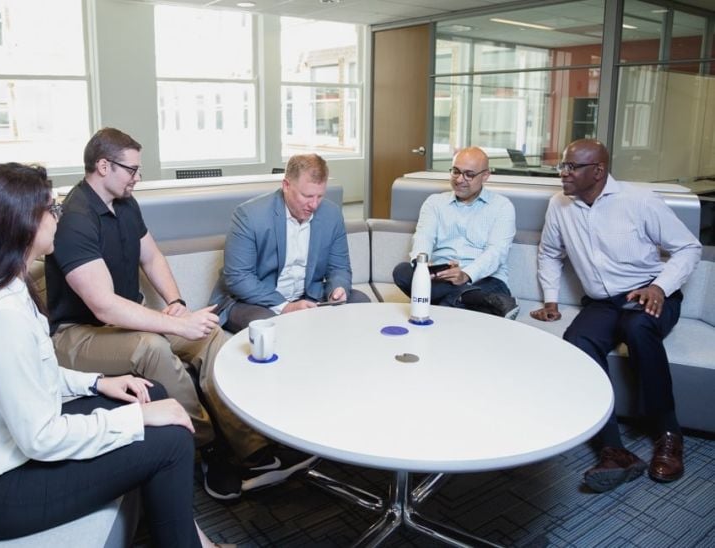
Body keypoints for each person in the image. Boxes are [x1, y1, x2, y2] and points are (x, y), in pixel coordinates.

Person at [0, 162, 219, 546]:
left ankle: (187, 535)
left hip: (17, 452)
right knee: (169, 441)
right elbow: (42, 437)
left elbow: (38, 374)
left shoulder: (6, 288)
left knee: (152, 392)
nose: (57, 217)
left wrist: (101, 382)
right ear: (22, 222)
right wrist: (138, 419)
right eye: (50, 209)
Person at [45, 128, 306, 501]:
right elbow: (103, 305)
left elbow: (150, 256)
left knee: (210, 335)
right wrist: (174, 323)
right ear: (103, 166)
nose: (138, 177)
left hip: (122, 322)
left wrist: (177, 302)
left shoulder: (124, 203)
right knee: (151, 348)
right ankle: (208, 446)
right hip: (77, 334)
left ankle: (252, 447)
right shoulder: (75, 218)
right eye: (131, 169)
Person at [530, 139, 702, 493]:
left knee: (638, 327)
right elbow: (549, 252)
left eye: (572, 167)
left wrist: (661, 287)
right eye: (563, 166)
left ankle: (669, 433)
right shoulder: (559, 205)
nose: (563, 173)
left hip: (648, 293)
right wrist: (551, 300)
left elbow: (688, 247)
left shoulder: (639, 201)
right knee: (576, 341)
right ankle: (614, 451)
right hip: (602, 302)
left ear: (598, 171)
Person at [210, 153, 371, 333]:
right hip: (254, 302)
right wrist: (285, 306)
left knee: (360, 303)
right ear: (286, 186)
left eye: (320, 196)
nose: (314, 205)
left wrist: (337, 289)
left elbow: (339, 268)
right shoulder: (249, 216)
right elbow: (239, 278)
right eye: (307, 196)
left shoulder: (331, 215)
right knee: (271, 326)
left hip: (308, 296)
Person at [392, 146, 519, 318]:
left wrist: (466, 275)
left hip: (485, 279)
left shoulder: (502, 207)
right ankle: (482, 301)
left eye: (469, 174)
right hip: (441, 276)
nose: (460, 179)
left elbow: (497, 252)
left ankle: (456, 300)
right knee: (402, 271)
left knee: (444, 308)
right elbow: (424, 238)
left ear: (486, 175)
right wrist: (422, 266)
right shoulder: (434, 203)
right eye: (456, 172)